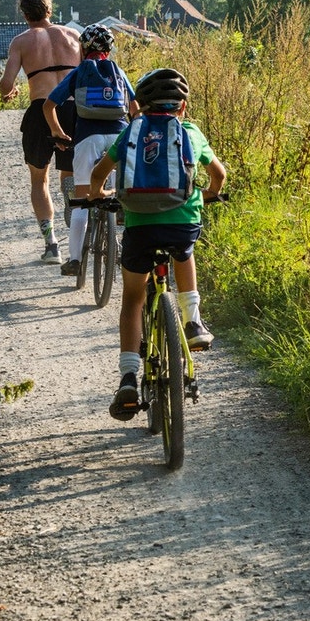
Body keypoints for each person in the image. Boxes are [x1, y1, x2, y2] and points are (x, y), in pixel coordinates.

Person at [87, 68, 225, 421]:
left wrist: (99, 196)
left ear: (141, 107)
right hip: (182, 224)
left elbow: (99, 175)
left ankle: (129, 378)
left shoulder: (132, 131)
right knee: (185, 251)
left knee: (133, 298)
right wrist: (208, 195)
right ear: (182, 108)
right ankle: (193, 322)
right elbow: (218, 175)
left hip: (141, 228)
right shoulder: (191, 132)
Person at [41, 24, 136, 276]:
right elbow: (135, 108)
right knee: (121, 195)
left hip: (87, 139)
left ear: (83, 48)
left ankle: (74, 260)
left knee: (82, 200)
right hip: (119, 138)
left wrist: (58, 132)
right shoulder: (119, 72)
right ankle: (126, 245)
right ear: (109, 49)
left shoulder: (79, 72)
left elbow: (48, 105)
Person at [0, 0, 81, 263]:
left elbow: (6, 85)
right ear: (49, 9)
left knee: (39, 178)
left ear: (24, 14)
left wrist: (9, 92)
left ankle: (51, 245)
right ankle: (71, 197)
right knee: (69, 172)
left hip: (40, 110)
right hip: (72, 109)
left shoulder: (21, 42)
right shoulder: (73, 36)